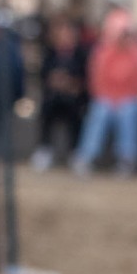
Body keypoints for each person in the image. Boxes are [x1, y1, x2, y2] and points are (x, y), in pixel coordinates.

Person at [71, 9, 137, 178]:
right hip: (105, 97)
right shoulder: (103, 52)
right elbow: (96, 80)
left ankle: (127, 159)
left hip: (129, 98)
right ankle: (85, 157)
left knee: (128, 111)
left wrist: (125, 97)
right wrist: (110, 97)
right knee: (100, 111)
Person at [31, 17, 88, 171]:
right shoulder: (49, 54)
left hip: (75, 100)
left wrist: (70, 83)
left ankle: (76, 153)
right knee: (47, 110)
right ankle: (44, 150)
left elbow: (85, 80)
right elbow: (43, 76)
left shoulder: (81, 55)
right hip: (53, 98)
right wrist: (56, 81)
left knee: (76, 115)